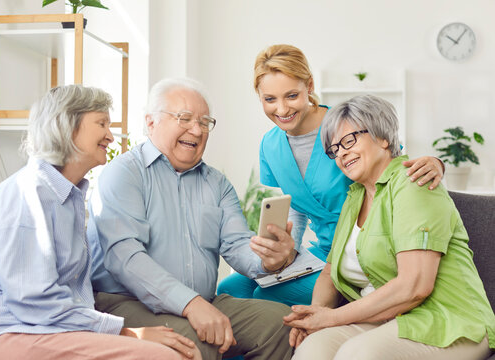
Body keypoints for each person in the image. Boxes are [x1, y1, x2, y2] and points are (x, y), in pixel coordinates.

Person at [0, 85, 190, 360]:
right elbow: (33, 300)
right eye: (101, 124)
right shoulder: (26, 194)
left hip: (45, 331)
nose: (110, 136)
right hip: (1, 335)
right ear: (67, 126)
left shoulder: (69, 199)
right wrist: (126, 333)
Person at [217, 44, 445, 307]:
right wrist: (289, 253)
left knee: (266, 297)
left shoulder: (346, 125)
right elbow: (297, 206)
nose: (281, 109)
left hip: (361, 249)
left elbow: (391, 166)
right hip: (321, 250)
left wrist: (436, 163)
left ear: (309, 86)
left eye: (291, 95)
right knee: (229, 289)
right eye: (270, 99)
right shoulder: (270, 145)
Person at [87, 77, 294, 360]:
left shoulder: (217, 184)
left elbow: (237, 245)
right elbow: (125, 258)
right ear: (150, 123)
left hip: (203, 302)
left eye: (205, 122)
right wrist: (190, 304)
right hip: (126, 303)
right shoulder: (124, 173)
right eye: (184, 118)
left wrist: (270, 259)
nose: (196, 130)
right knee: (195, 341)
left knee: (280, 324)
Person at [283, 94, 495, 360]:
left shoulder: (414, 183)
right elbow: (329, 273)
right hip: (385, 319)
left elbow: (414, 285)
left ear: (383, 137)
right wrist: (314, 318)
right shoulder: (354, 197)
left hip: (449, 321)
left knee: (355, 355)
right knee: (311, 351)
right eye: (335, 149)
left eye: (349, 140)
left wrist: (333, 317)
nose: (342, 153)